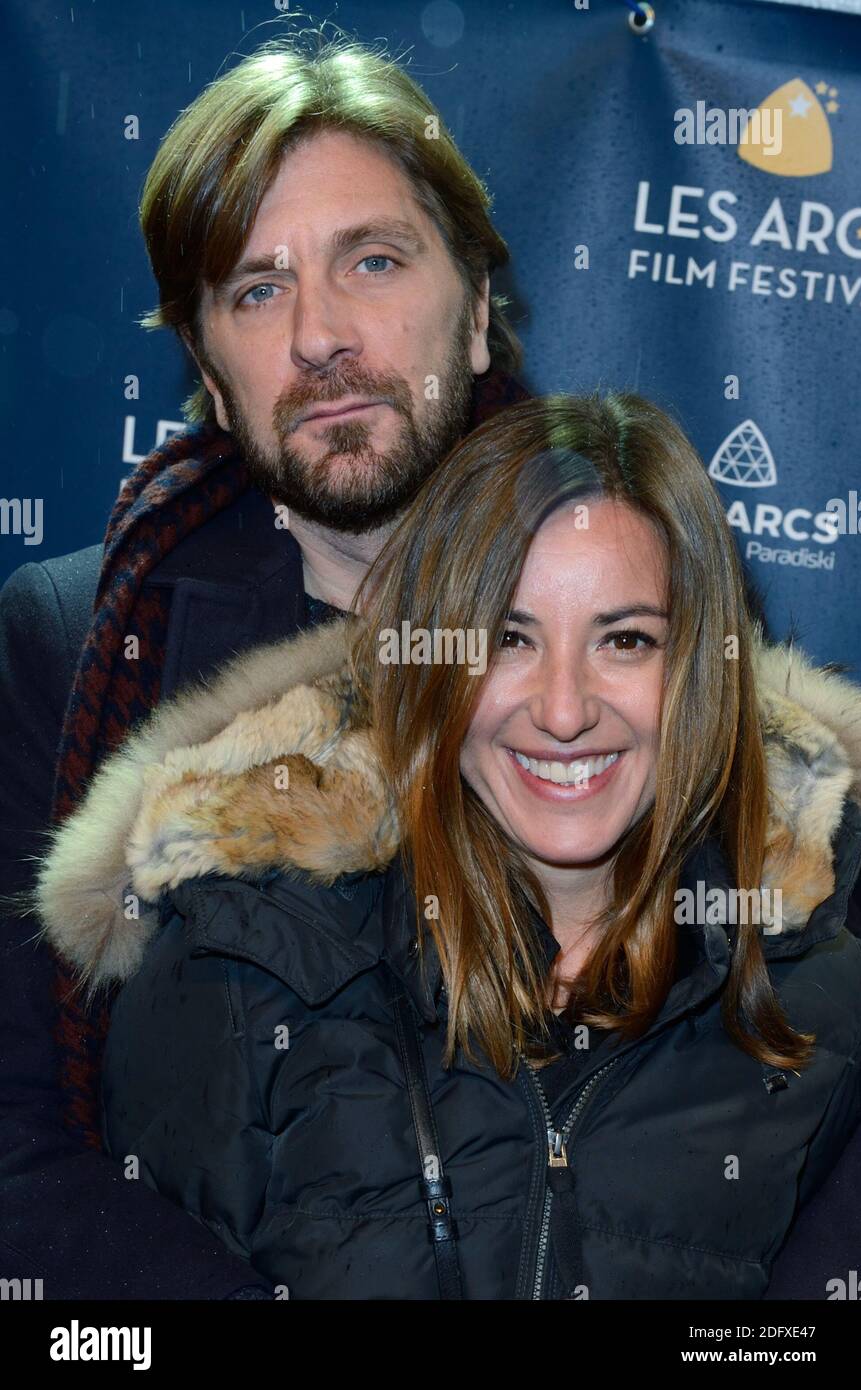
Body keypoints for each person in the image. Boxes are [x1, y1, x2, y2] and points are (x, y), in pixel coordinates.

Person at [30, 392, 861, 1299]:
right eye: (510, 638)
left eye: (625, 641)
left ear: (700, 670)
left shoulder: (826, 997)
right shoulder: (242, 953)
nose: (563, 710)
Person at [0, 31, 527, 1299]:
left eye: (375, 261)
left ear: (476, 316)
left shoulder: (646, 622)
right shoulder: (72, 642)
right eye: (255, 288)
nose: (320, 337)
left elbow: (797, 1083)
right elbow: (15, 1139)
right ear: (212, 378)